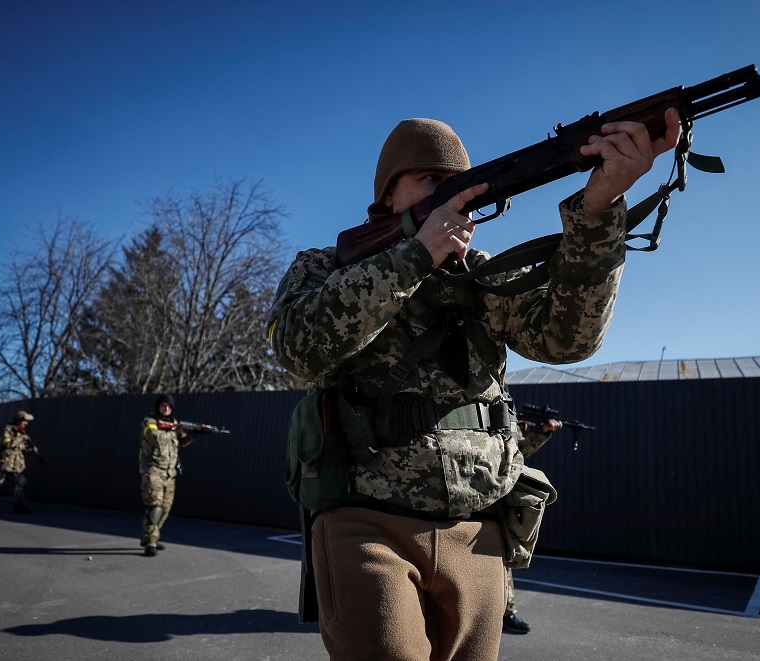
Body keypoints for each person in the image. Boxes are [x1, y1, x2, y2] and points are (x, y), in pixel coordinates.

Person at [268, 110, 681, 659]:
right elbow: (300, 347)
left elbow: (567, 341)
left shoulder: (486, 277)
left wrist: (599, 208)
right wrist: (415, 256)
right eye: (430, 182)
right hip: (365, 518)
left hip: (480, 524)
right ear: (390, 199)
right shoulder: (325, 266)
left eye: (456, 184)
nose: (448, 197)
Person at [502, 417, 562, 634]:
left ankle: (505, 612)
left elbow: (519, 451)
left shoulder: (507, 411)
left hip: (500, 491)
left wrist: (543, 432)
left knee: (505, 553)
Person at [138, 394, 202, 557]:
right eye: (163, 406)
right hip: (153, 470)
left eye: (169, 406)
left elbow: (181, 441)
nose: (166, 409)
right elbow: (154, 437)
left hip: (169, 473)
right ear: (158, 407)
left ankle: (151, 535)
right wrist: (176, 431)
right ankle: (151, 543)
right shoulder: (149, 422)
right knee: (155, 507)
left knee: (165, 508)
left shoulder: (174, 425)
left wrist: (195, 433)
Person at [0, 410, 40, 513]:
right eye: (24, 421)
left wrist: (31, 448)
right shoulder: (7, 429)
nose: (26, 423)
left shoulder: (21, 432)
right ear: (19, 420)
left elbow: (21, 447)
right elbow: (7, 443)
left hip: (18, 463)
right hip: (6, 461)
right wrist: (21, 438)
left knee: (21, 482)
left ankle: (19, 506)